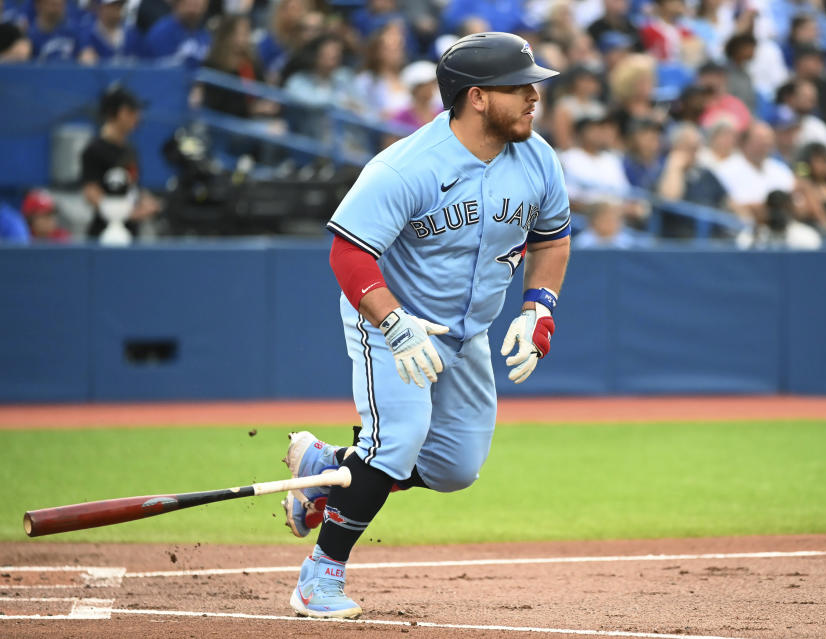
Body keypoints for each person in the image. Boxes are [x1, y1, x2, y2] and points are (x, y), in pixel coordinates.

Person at [281, 32, 570, 620]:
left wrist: (539, 305)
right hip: (389, 319)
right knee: (399, 439)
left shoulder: (538, 157)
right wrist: (392, 321)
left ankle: (326, 467)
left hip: (468, 333)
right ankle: (320, 577)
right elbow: (349, 254)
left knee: (455, 467)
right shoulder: (407, 165)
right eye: (520, 86)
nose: (534, 95)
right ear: (478, 98)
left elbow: (552, 238)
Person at [81, 87, 161, 240]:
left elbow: (132, 186)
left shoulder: (130, 150)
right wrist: (127, 214)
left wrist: (147, 203)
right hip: (104, 235)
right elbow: (91, 192)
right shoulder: (94, 150)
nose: (137, 118)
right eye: (131, 112)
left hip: (131, 233)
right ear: (118, 113)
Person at [715, 120, 796, 223]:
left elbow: (795, 200)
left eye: (768, 139)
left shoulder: (780, 169)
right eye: (759, 140)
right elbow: (724, 205)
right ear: (744, 142)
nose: (765, 143)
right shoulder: (725, 170)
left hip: (784, 226)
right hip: (741, 229)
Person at [143, 0, 210, 67]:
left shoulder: (203, 34)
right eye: (190, 4)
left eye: (198, 6)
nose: (193, 11)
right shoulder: (163, 31)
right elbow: (160, 69)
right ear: (178, 5)